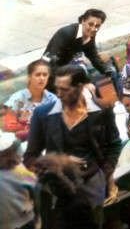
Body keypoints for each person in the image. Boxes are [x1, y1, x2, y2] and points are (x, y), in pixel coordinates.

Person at [25, 64, 122, 229]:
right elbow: (29, 158)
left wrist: (105, 176)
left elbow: (114, 146)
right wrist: (59, 160)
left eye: (64, 89)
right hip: (57, 191)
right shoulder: (43, 115)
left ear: (79, 87)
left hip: (92, 189)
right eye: (57, 88)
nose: (58, 94)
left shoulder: (101, 111)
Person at [42, 9, 117, 89]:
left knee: (111, 69)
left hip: (66, 67)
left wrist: (105, 70)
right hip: (51, 71)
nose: (93, 29)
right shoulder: (66, 33)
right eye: (90, 24)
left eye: (97, 26)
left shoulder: (90, 33)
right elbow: (50, 60)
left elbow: (92, 55)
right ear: (83, 21)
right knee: (81, 72)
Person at [3, 58, 56, 140]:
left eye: (45, 75)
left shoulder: (52, 99)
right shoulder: (17, 98)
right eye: (38, 75)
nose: (42, 78)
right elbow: (9, 126)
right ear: (29, 77)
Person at [0, 132, 35, 229]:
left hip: (20, 221)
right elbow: (34, 185)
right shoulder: (20, 170)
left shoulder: (20, 171)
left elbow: (34, 185)